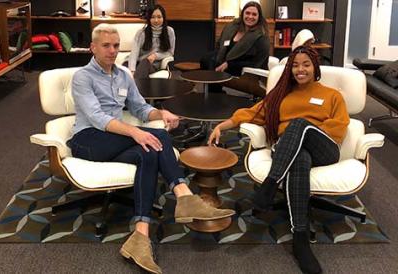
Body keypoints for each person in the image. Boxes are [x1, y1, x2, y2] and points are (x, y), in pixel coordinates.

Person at [70, 23, 234, 274]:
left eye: (115, 45)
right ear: (93, 47)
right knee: (154, 136)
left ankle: (140, 235)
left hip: (115, 138)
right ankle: (184, 196)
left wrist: (161, 112)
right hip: (88, 140)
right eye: (106, 45)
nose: (112, 51)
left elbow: (139, 108)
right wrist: (136, 131)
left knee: (149, 150)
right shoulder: (82, 77)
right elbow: (97, 118)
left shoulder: (124, 75)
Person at [208, 46, 350, 274]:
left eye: (306, 64)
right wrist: (222, 126)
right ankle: (300, 238)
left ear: (315, 67)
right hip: (288, 150)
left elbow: (339, 128)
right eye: (295, 65)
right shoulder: (283, 93)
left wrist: (306, 131)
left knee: (299, 125)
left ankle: (270, 185)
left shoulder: (332, 95)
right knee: (300, 159)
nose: (300, 69)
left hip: (324, 147)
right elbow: (253, 112)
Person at [201, 1, 270, 95]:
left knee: (212, 65)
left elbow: (255, 63)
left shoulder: (261, 37)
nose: (250, 17)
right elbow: (220, 44)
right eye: (247, 13)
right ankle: (215, 92)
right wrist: (219, 56)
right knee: (206, 59)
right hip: (226, 60)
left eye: (254, 14)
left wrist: (229, 64)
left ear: (259, 17)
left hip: (243, 68)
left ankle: (214, 94)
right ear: (242, 14)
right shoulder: (233, 27)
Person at [128, 4, 175, 79]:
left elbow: (170, 53)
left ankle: (134, 88)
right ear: (149, 19)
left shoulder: (169, 31)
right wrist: (132, 70)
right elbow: (134, 53)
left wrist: (156, 55)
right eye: (153, 17)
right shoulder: (141, 33)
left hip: (153, 66)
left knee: (145, 62)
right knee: (124, 66)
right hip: (138, 63)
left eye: (159, 17)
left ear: (164, 18)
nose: (156, 20)